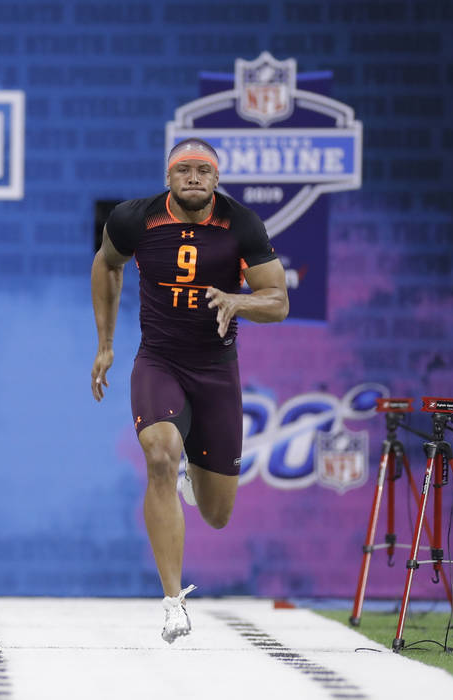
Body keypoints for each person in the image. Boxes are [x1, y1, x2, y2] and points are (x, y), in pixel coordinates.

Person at [90, 137, 288, 643]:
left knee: (218, 514)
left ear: (216, 179)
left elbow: (278, 300)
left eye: (204, 170)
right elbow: (106, 263)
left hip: (216, 369)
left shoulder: (241, 223)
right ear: (169, 177)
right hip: (159, 360)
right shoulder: (135, 218)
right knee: (160, 455)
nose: (195, 178)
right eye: (185, 170)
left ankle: (191, 482)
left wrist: (238, 302)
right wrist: (106, 344)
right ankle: (173, 601)